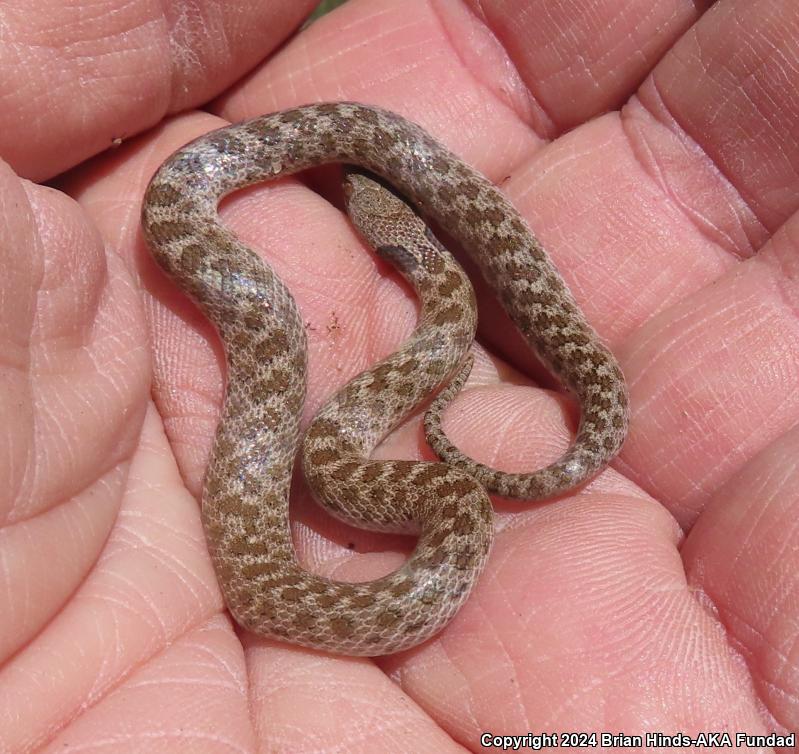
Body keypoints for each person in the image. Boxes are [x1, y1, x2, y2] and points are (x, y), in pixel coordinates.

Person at [1, 0, 796, 750]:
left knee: (397, 458)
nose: (353, 181)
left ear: (394, 242)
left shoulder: (441, 303)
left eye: (364, 185)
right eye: (357, 183)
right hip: (245, 612)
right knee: (318, 384)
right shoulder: (188, 204)